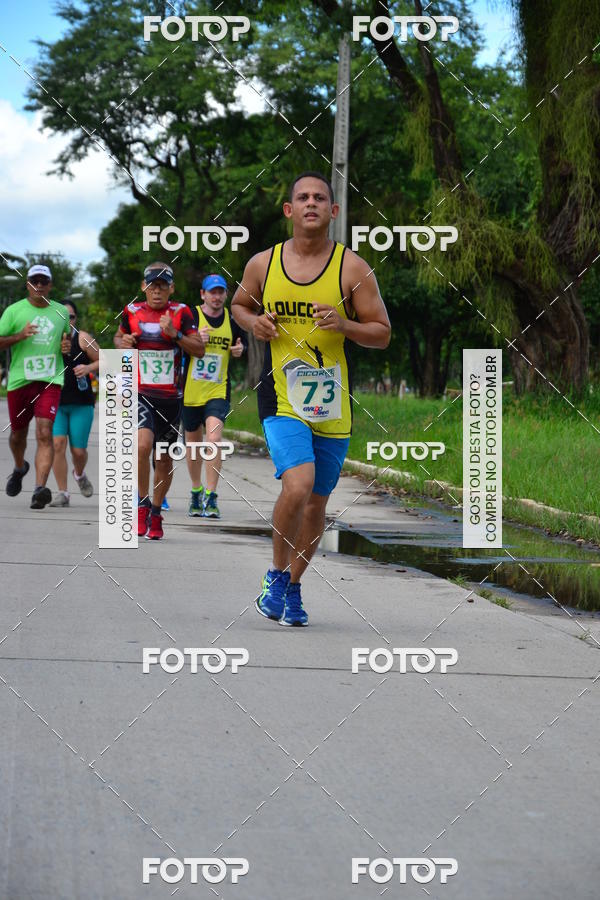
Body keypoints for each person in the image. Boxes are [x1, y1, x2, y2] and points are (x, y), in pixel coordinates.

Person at [232, 172, 391, 626]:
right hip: (282, 396)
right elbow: (240, 306)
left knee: (317, 503)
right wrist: (254, 323)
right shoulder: (263, 264)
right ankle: (275, 574)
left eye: (320, 198)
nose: (311, 203)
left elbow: (382, 333)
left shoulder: (352, 269)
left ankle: (294, 586)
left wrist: (345, 325)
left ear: (333, 211)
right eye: (302, 197)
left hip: (332, 403)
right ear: (289, 210)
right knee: (298, 485)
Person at [114, 262, 204, 540]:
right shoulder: (131, 312)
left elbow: (199, 349)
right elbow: (118, 338)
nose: (157, 291)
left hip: (171, 399)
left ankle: (155, 511)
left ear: (171, 289)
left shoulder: (182, 312)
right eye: (152, 286)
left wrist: (176, 335)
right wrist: (123, 343)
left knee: (163, 459)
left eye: (162, 286)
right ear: (144, 287)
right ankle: (141, 505)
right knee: (142, 446)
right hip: (141, 394)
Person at [0, 264, 71, 509]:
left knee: (44, 432)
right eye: (34, 281)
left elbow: (66, 339)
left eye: (43, 281)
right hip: (20, 381)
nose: (39, 285)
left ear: (50, 285)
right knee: (18, 434)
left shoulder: (61, 311)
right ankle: (20, 467)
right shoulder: (14, 311)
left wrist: (66, 347)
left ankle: (40, 489)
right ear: (28, 284)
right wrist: (19, 336)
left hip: (50, 380)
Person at [182, 274, 247, 518]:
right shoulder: (190, 316)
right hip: (190, 390)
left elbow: (241, 344)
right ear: (203, 294)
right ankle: (196, 490)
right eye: (212, 292)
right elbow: (177, 344)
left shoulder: (232, 319)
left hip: (218, 390)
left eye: (221, 292)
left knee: (214, 438)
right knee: (193, 445)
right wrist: (194, 340)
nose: (217, 297)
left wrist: (240, 350)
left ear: (226, 295)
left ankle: (211, 495)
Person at [49, 300, 99, 506]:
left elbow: (106, 360)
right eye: (62, 316)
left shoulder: (83, 338)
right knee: (58, 445)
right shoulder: (47, 339)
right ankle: (63, 493)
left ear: (75, 319)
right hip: (55, 402)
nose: (66, 320)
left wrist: (88, 368)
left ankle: (79, 474)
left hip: (81, 403)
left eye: (71, 317)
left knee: (78, 451)